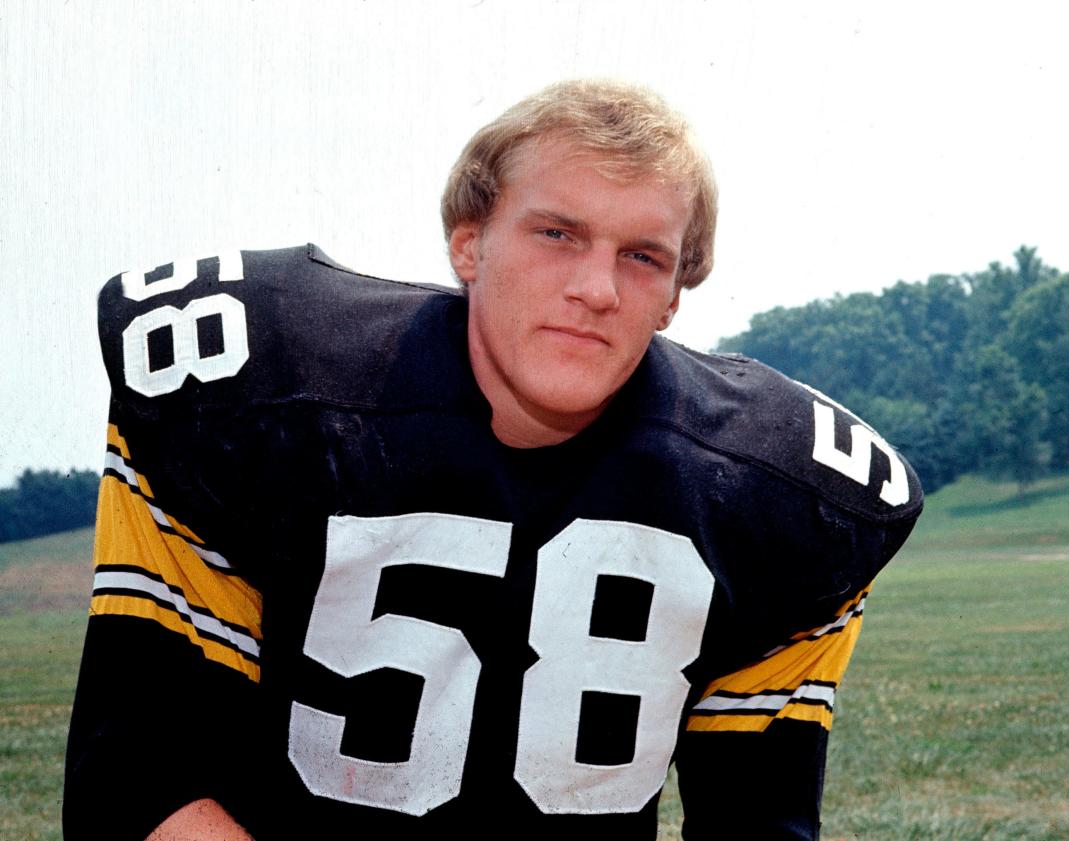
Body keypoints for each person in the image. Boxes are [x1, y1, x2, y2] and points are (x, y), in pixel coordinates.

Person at [64, 79, 922, 840]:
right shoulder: (253, 399)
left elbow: (755, 822)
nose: (596, 287)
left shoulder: (783, 495)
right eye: (557, 233)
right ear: (468, 242)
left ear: (673, 294)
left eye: (641, 256)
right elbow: (137, 784)